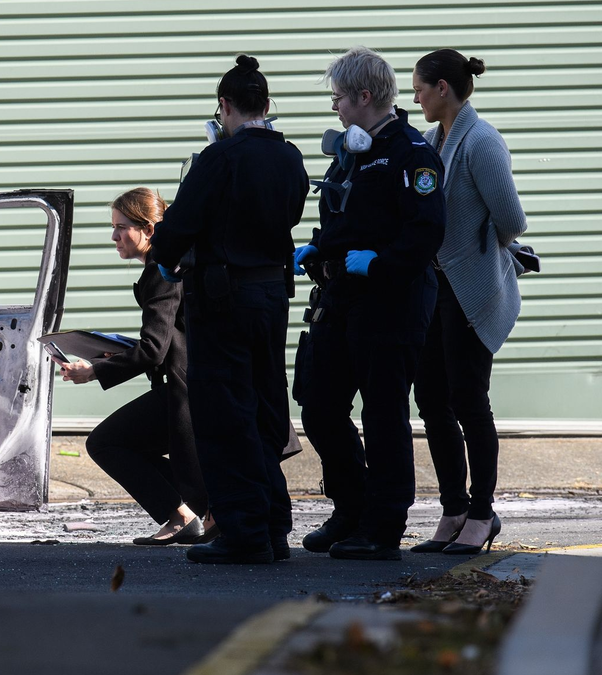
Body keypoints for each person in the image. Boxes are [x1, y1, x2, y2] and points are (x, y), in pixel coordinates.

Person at [149, 55, 309, 564]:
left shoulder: (216, 159)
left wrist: (165, 262)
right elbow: (291, 212)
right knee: (265, 407)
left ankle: (243, 531)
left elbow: (178, 228)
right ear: (267, 106)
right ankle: (273, 526)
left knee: (223, 414)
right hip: (270, 296)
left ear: (225, 106)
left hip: (222, 299)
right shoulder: (291, 158)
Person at [293, 46, 446, 560]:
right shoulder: (351, 152)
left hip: (392, 299)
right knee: (318, 404)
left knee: (383, 414)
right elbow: (345, 218)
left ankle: (382, 526)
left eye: (338, 97)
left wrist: (378, 264)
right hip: (343, 295)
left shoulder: (411, 153)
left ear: (364, 96)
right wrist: (322, 246)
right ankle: (351, 507)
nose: (334, 108)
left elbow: (426, 231)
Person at [409, 50, 526, 555]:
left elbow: (511, 220)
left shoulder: (481, 140)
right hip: (435, 291)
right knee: (432, 398)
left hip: (471, 289)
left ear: (441, 88)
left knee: (469, 400)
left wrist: (477, 249)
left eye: (418, 88)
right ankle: (454, 508)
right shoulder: (434, 139)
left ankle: (482, 512)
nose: (414, 98)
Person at [59, 188, 213, 546]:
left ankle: (184, 513)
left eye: (121, 227)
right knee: (123, 443)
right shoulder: (165, 267)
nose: (113, 237)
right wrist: (112, 354)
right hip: (183, 386)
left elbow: (155, 349)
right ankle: (194, 508)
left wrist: (94, 370)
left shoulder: (161, 272)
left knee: (106, 442)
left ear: (149, 230)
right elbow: (167, 338)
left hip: (184, 390)